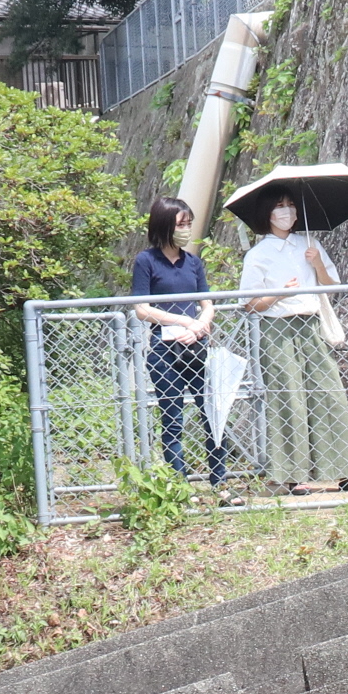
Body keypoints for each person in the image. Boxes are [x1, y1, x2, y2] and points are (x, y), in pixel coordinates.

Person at [241, 188, 348, 493]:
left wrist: (318, 263)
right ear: (267, 213)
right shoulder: (258, 255)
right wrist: (280, 293)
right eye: (280, 206)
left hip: (311, 324)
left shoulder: (310, 244)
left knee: (329, 393)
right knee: (289, 399)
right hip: (277, 330)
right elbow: (250, 304)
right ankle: (291, 477)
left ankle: (346, 471)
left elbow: (331, 285)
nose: (287, 211)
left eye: (291, 205)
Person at [129, 196, 241, 503]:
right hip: (164, 351)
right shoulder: (146, 261)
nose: (186, 229)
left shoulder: (193, 262)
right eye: (181, 224)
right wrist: (182, 321)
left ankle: (220, 484)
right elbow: (141, 308)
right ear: (164, 225)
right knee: (173, 419)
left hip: (197, 348)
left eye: (189, 223)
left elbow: (207, 303)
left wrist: (200, 324)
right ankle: (181, 488)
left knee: (213, 415)